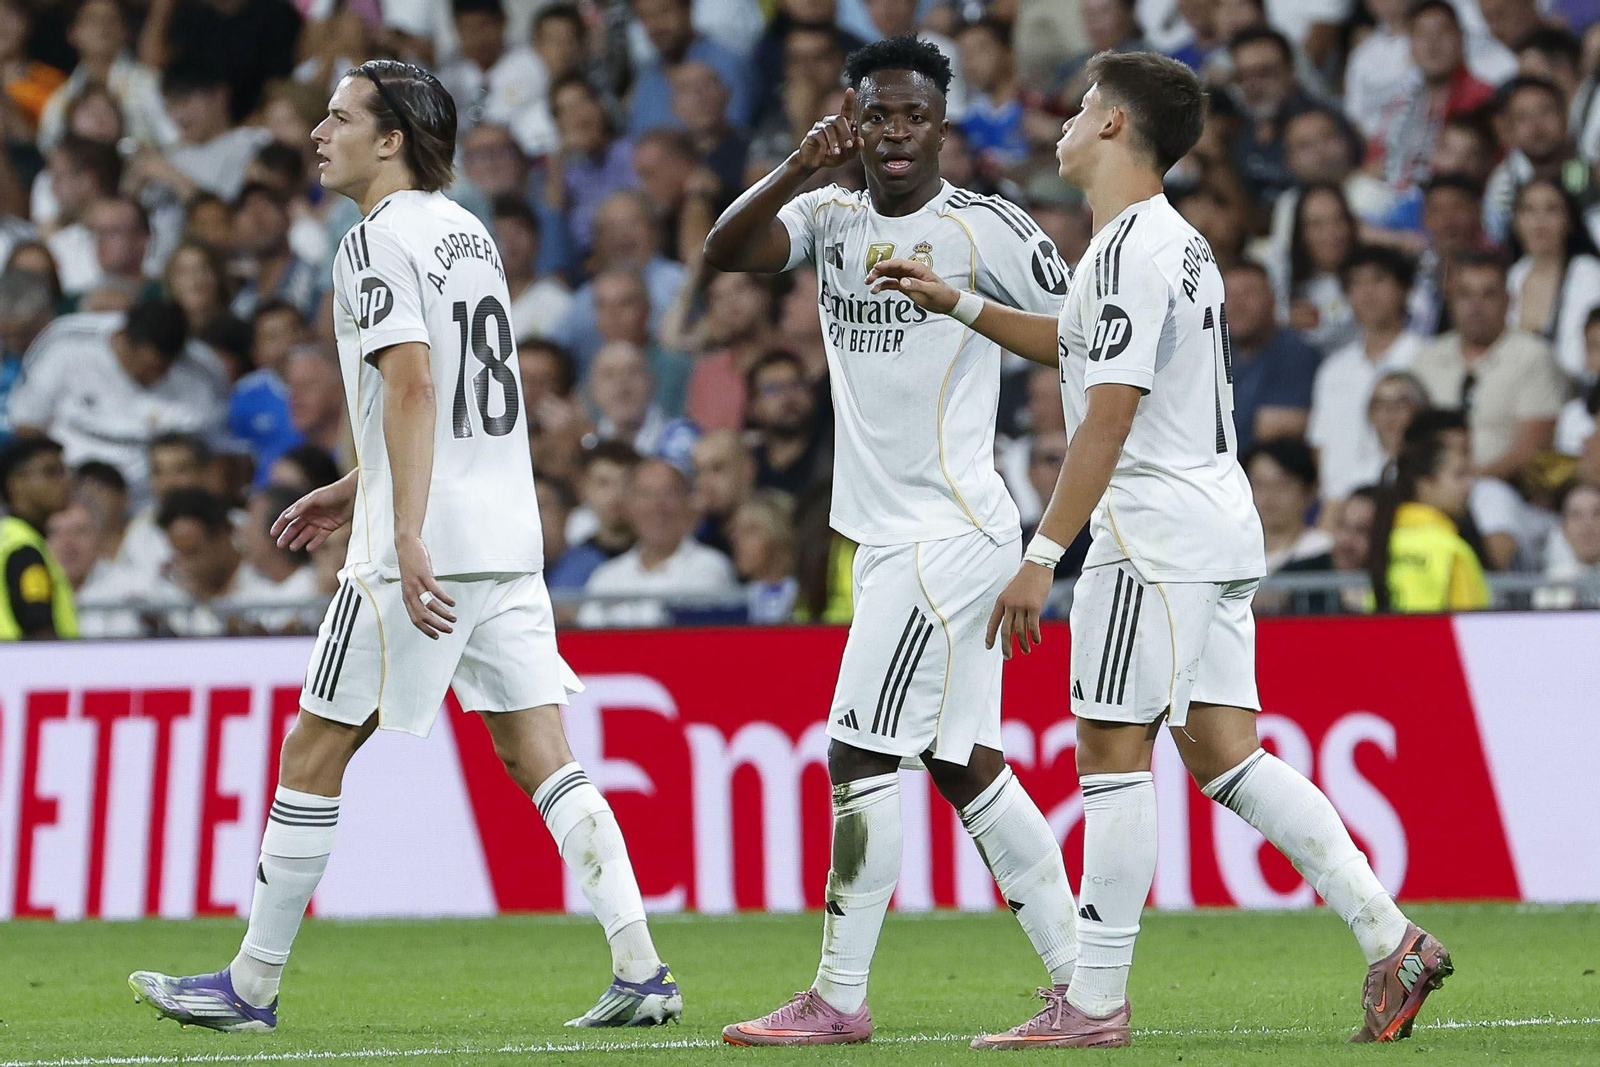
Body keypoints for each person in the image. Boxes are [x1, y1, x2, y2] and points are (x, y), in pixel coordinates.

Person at [868, 50, 1449, 1047]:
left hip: (1152, 535)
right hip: (1211, 524)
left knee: (1108, 746)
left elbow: (1106, 412)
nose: (1063, 119)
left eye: (1081, 104)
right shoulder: (1150, 244)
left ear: (1112, 128)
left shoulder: (1133, 251)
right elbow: (1078, 343)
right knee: (1225, 755)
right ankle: (1388, 935)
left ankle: (1092, 1001)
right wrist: (954, 300)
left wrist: (1044, 550)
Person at [127, 59, 679, 1034]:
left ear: (391, 140)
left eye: (338, 118)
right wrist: (355, 486)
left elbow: (418, 386)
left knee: (314, 743)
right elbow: (456, 398)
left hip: (418, 545)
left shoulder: (373, 241)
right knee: (538, 748)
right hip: (505, 532)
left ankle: (250, 983)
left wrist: (404, 525)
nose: (317, 133)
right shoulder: (466, 233)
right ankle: (641, 966)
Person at [706, 34, 1082, 1048]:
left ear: (941, 121)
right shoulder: (827, 216)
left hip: (949, 531)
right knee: (963, 762)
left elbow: (1089, 330)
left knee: (859, 744)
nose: (898, 132)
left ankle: (837, 995)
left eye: (915, 113)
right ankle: (1086, 989)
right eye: (879, 114)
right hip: (879, 538)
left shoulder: (985, 230)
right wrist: (795, 164)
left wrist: (1064, 514)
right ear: (853, 119)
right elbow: (721, 254)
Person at [5, 297, 225, 497]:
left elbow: (218, 457)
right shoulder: (68, 343)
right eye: (151, 367)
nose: (158, 377)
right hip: (69, 491)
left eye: (165, 368)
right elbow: (27, 426)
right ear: (124, 340)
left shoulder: (202, 373)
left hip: (153, 502)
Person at [1410, 252, 1567, 481]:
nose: (1475, 306)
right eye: (1464, 295)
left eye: (1488, 295)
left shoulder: (1533, 356)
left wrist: (1470, 484)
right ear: (1450, 300)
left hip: (1506, 490)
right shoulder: (1426, 357)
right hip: (1432, 490)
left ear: (1509, 302)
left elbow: (1533, 448)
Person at [1309, 245, 1423, 507]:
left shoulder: (1426, 358)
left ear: (1404, 289)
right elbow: (1319, 444)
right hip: (1336, 508)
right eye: (1356, 283)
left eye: (1379, 280)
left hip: (1400, 500)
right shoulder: (1333, 369)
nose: (1367, 293)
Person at [576, 458, 738, 627]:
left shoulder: (710, 568)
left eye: (669, 493)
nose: (657, 506)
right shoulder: (606, 578)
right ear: (628, 507)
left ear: (687, 503)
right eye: (645, 494)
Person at [1368, 430, 1489, 611]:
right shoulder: (1452, 549)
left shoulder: (1385, 540)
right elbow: (1471, 627)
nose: (1468, 486)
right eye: (1459, 475)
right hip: (1438, 639)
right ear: (1424, 485)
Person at [1505, 177, 1600, 382]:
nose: (1540, 220)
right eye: (1529, 210)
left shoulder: (1589, 274)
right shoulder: (1512, 276)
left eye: (1552, 209)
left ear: (1569, 220)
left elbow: (1585, 360)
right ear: (1515, 221)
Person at [1222, 261, 1321, 450]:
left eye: (1248, 294)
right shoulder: (1216, 353)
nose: (1237, 305)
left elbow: (1273, 433)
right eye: (1228, 296)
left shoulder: (1295, 353)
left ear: (1272, 300)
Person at [0, 435, 77, 639]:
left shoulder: (8, 537)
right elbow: (39, 630)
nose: (65, 482)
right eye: (52, 472)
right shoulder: (23, 548)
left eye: (64, 472)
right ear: (15, 483)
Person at [1243, 438, 1334, 571]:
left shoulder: (1324, 550)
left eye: (1282, 485)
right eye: (1258, 484)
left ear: (1309, 491)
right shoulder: (1230, 553)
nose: (1268, 496)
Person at [729, 489, 801, 622]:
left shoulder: (806, 600)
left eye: (749, 531)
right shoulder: (729, 603)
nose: (737, 540)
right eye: (735, 532)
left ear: (780, 534)